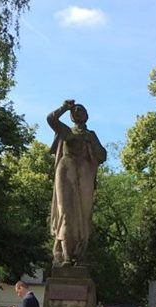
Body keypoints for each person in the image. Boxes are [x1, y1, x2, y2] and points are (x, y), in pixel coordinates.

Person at [47, 99, 107, 266]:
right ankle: (66, 256)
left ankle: (80, 255)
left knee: (84, 215)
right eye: (76, 110)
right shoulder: (65, 131)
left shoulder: (91, 135)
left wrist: (90, 140)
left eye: (82, 110)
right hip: (66, 171)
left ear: (87, 115)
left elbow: (102, 156)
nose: (78, 112)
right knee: (66, 212)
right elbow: (51, 119)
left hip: (85, 173)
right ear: (71, 116)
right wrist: (64, 108)